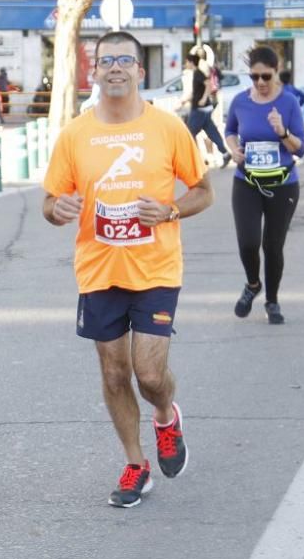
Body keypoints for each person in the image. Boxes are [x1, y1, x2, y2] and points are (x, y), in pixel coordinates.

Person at [42, 31, 214, 508]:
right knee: (115, 373)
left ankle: (165, 416)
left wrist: (171, 211)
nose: (114, 68)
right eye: (105, 61)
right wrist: (57, 209)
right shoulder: (76, 133)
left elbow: (204, 189)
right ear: (93, 72)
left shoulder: (167, 128)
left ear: (141, 71)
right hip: (99, 271)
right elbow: (51, 200)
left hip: (156, 269)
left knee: (149, 375)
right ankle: (135, 464)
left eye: (124, 60)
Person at [224, 47, 304, 325]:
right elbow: (230, 131)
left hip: (283, 184)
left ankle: (272, 301)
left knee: (273, 246)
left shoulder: (289, 102)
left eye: (265, 76)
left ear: (275, 72)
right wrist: (235, 150)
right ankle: (252, 284)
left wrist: (282, 131)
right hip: (246, 182)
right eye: (254, 76)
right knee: (248, 242)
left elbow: (301, 149)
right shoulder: (239, 102)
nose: (259, 82)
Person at [180, 53, 230, 168]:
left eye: (187, 61)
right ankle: (226, 154)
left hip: (199, 110)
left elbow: (208, 84)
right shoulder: (196, 73)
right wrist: (184, 101)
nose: (185, 64)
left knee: (189, 134)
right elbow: (196, 92)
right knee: (212, 133)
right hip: (203, 108)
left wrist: (203, 98)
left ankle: (193, 161)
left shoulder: (198, 73)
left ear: (191, 62)